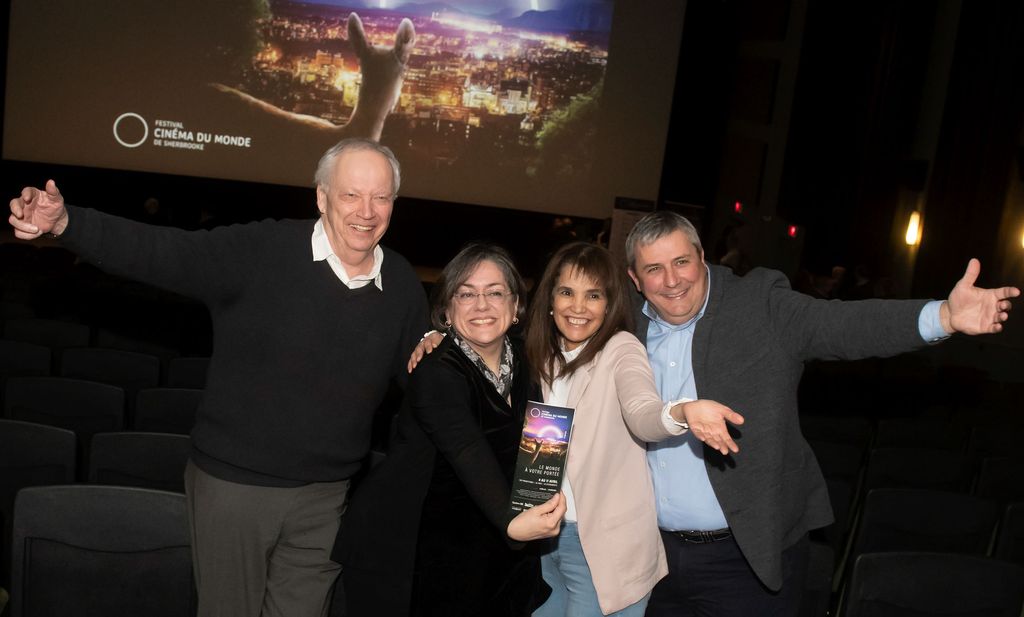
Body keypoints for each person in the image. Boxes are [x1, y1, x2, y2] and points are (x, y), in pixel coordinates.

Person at [8, 138, 430, 617]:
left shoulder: (401, 283)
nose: (366, 212)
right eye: (351, 194)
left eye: (381, 197)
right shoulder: (261, 250)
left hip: (328, 499)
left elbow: (423, 378)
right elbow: (162, 252)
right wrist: (67, 222)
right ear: (322, 196)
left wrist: (447, 348)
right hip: (234, 491)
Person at [623, 210, 1020, 616]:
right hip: (650, 559)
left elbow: (842, 324)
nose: (672, 280)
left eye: (682, 262)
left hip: (745, 560)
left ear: (702, 257)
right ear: (635, 279)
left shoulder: (759, 304)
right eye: (654, 269)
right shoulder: (624, 325)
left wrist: (944, 317)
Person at [333, 243, 566, 617]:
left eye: (495, 293)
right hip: (404, 546)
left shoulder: (525, 359)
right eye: (466, 294)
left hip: (476, 542)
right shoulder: (436, 371)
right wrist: (511, 522)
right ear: (446, 309)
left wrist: (533, 505)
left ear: (516, 307)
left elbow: (535, 443)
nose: (481, 306)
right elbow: (465, 447)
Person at [523, 242, 743, 616]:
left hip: (599, 548)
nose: (578, 307)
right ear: (550, 300)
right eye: (567, 292)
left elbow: (643, 411)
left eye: (593, 295)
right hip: (543, 539)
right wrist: (438, 337)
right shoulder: (542, 354)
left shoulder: (620, 349)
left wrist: (681, 411)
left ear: (610, 304)